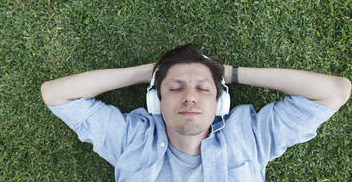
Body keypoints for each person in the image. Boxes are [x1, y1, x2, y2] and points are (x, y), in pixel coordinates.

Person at [41, 44, 351, 182]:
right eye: (175, 88)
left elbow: (334, 90)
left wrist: (229, 74)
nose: (190, 97)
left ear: (220, 102)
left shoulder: (251, 135)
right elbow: (54, 93)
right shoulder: (131, 138)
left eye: (203, 89)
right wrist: (145, 73)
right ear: (155, 102)